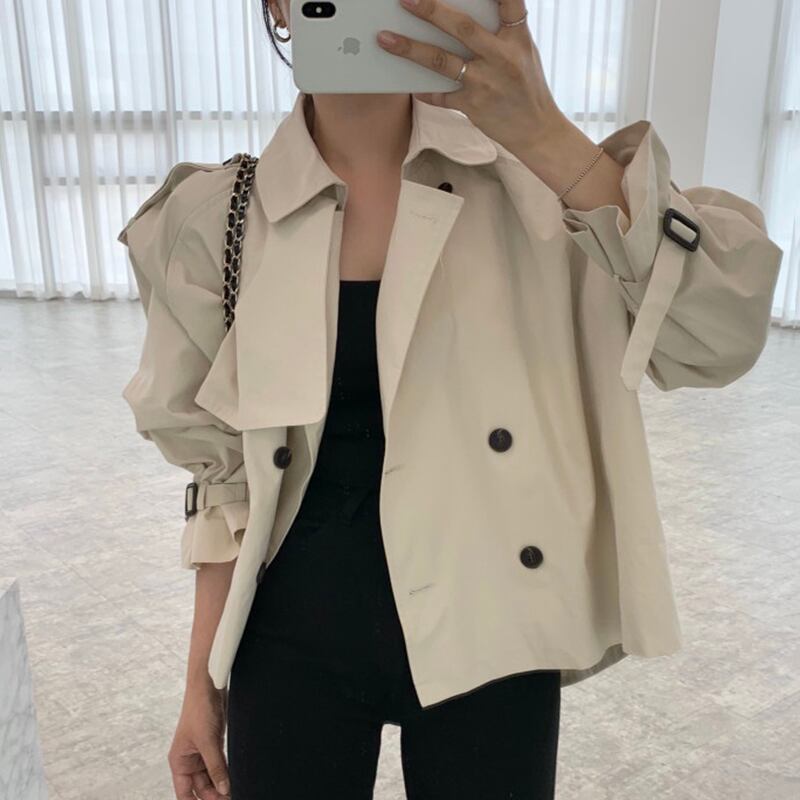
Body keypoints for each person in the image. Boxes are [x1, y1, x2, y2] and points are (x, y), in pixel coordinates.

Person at [118, 1, 784, 798]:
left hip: (494, 626)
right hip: (289, 637)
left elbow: (717, 337)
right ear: (280, 8)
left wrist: (543, 132)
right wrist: (201, 682)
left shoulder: (540, 192)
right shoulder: (218, 218)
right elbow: (225, 482)